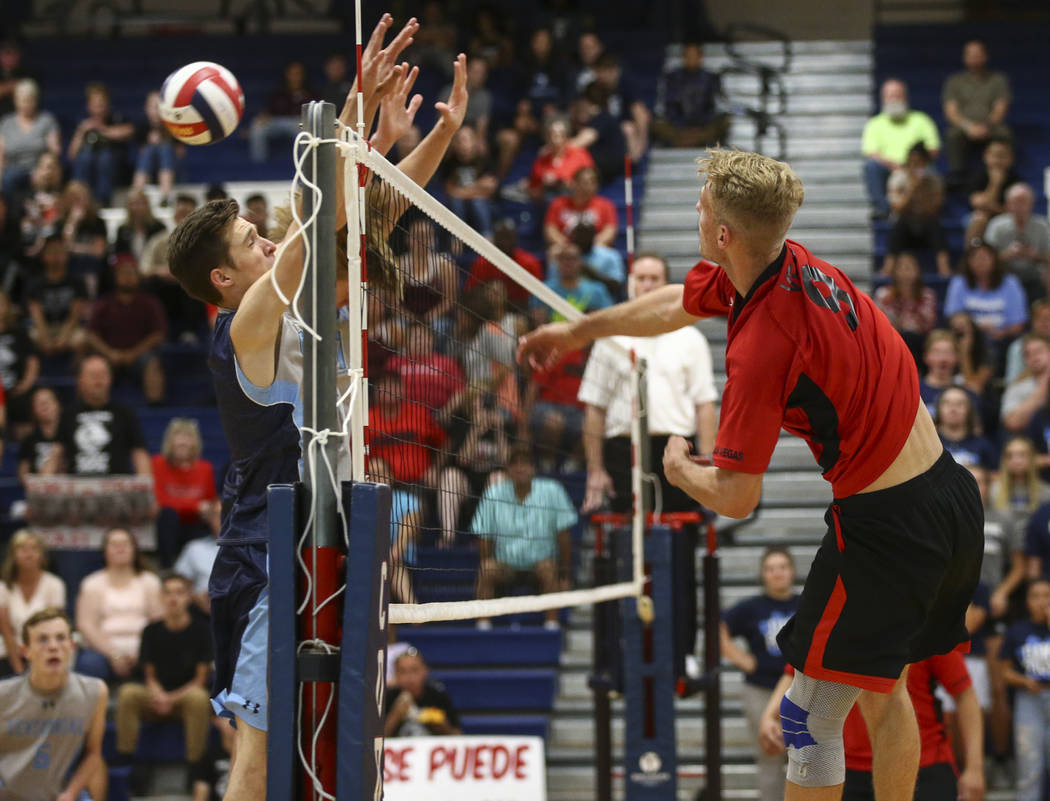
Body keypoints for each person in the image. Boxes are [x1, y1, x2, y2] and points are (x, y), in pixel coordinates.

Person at [518, 148, 984, 801]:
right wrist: (578, 332)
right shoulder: (789, 262)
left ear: (724, 234)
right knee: (886, 688)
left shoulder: (763, 342)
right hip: (951, 496)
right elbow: (675, 302)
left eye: (703, 203)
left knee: (807, 716)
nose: (697, 209)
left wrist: (679, 469)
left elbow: (738, 496)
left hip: (889, 526)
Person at [162, 16, 456, 799]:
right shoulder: (250, 321)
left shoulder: (298, 309)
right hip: (268, 554)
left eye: (263, 234)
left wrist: (418, 138)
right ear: (223, 280)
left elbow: (371, 218)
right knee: (257, 766)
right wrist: (357, 108)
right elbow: (322, 205)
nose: (267, 241)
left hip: (319, 538)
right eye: (251, 241)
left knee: (317, 753)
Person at [578, 252, 717, 513]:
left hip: (677, 449)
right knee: (626, 536)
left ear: (666, 285)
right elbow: (594, 408)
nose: (648, 285)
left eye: (654, 278)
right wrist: (595, 469)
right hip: (623, 450)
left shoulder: (691, 338)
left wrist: (706, 464)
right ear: (631, 283)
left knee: (680, 535)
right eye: (641, 278)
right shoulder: (610, 339)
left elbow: (704, 404)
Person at [759, 652, 985, 801]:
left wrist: (975, 767)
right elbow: (796, 672)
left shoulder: (920, 614)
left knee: (890, 697)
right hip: (847, 769)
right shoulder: (831, 608)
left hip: (923, 766)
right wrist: (769, 716)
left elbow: (965, 696)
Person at [114, 572, 212, 792]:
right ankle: (128, 764)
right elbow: (149, 674)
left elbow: (200, 679)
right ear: (161, 597)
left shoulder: (202, 630)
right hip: (155, 697)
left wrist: (171, 698)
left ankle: (195, 769)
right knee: (128, 693)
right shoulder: (151, 631)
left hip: (185, 699)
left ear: (188, 597)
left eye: (179, 592)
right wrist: (159, 695)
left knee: (199, 698)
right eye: (168, 593)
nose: (173, 598)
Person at [0, 608, 108, 801]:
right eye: (42, 640)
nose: (53, 647)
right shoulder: (3, 695)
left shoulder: (95, 692)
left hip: (62, 795)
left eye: (61, 638)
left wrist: (70, 793)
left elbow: (93, 755)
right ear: (26, 651)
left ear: (72, 646)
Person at [720, 547, 799, 801]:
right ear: (763, 574)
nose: (777, 573)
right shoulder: (752, 608)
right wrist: (744, 661)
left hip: (800, 691)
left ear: (792, 571)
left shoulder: (806, 604)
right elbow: (718, 629)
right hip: (760, 691)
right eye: (771, 568)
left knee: (806, 760)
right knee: (770, 757)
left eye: (782, 567)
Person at [471, 445, 578, 629]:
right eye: (515, 464)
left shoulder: (552, 490)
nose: (521, 468)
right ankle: (483, 626)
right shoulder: (493, 494)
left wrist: (565, 574)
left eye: (526, 463)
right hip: (506, 567)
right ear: (508, 469)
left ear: (533, 468)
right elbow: (484, 537)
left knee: (548, 568)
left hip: (540, 566)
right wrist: (486, 562)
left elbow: (564, 537)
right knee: (487, 568)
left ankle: (551, 626)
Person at [75, 527, 162, 681]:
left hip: (144, 649)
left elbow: (158, 623)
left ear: (134, 549)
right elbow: (86, 625)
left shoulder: (150, 581)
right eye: (114, 544)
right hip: (102, 650)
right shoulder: (92, 583)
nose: (120, 548)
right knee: (89, 664)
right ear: (104, 551)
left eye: (125, 544)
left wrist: (141, 654)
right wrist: (114, 655)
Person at [46, 354, 151, 476]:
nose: (98, 379)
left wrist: (145, 483)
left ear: (110, 378)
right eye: (92, 375)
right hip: (78, 489)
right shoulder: (68, 414)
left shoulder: (125, 413)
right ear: (80, 380)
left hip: (117, 489)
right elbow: (55, 454)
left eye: (102, 374)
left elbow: (139, 453)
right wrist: (43, 483)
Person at [85, 255, 168, 403]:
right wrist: (110, 353)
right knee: (93, 366)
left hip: (140, 355)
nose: (128, 278)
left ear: (138, 276)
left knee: (153, 364)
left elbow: (158, 335)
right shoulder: (104, 303)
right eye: (123, 273)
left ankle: (156, 408)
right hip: (109, 354)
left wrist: (133, 354)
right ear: (115, 277)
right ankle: (89, 407)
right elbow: (91, 334)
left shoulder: (150, 303)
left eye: (131, 273)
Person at [999, 578, 1050, 801]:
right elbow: (1005, 671)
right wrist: (1024, 681)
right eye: (1035, 596)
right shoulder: (1017, 631)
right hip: (1029, 699)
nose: (1041, 602)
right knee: (1029, 762)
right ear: (1027, 601)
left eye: (1046, 596)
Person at [861, 79, 940, 219]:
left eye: (897, 95)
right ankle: (883, 209)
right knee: (871, 166)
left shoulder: (921, 120)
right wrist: (896, 166)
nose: (894, 100)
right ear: (883, 99)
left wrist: (912, 166)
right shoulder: (874, 124)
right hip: (888, 169)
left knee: (930, 170)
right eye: (890, 96)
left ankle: (929, 209)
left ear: (905, 97)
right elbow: (871, 153)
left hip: (917, 167)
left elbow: (933, 149)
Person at [942, 39, 1012, 182]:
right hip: (964, 127)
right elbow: (951, 112)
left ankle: (1006, 173)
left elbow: (1000, 108)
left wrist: (986, 126)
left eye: (977, 54)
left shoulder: (998, 80)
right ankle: (958, 174)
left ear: (985, 56)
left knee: (1005, 133)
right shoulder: (954, 81)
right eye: (970, 54)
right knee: (952, 135)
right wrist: (969, 127)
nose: (974, 58)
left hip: (990, 126)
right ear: (965, 57)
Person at [152, 418, 216, 567]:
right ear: (170, 442)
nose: (183, 442)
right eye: (178, 436)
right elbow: (160, 501)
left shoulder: (205, 468)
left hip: (195, 525)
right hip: (167, 525)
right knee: (168, 514)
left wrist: (200, 508)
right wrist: (195, 506)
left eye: (188, 437)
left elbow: (209, 503)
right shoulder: (157, 463)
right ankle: (166, 568)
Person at [0, 530, 65, 677]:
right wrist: (19, 670)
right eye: (22, 549)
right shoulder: (3, 587)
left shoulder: (54, 585)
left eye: (34, 548)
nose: (28, 554)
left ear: (42, 554)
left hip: (44, 647)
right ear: (13, 555)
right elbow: (6, 631)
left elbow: (54, 626)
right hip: (10, 651)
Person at [944, 241, 1027, 355]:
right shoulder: (959, 282)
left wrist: (1001, 333)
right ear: (968, 262)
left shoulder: (1010, 283)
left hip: (1003, 340)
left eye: (984, 257)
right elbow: (954, 316)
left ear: (994, 260)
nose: (980, 262)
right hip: (970, 338)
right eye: (975, 258)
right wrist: (974, 330)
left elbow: (1018, 323)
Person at [882, 143, 949, 276]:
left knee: (934, 224)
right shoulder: (898, 178)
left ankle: (944, 268)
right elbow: (898, 208)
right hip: (905, 223)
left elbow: (934, 209)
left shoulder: (934, 179)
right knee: (899, 225)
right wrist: (912, 189)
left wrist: (922, 189)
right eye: (912, 163)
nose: (915, 167)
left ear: (926, 164)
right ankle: (888, 268)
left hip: (927, 222)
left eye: (919, 163)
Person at [651, 42, 729, 148]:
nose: (691, 59)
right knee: (654, 123)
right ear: (683, 58)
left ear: (700, 57)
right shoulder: (672, 77)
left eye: (694, 56)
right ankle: (694, 141)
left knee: (724, 122)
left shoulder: (711, 78)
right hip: (678, 130)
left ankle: (687, 142)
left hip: (703, 129)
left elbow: (714, 106)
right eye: (688, 56)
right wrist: (682, 127)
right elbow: (669, 106)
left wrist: (699, 127)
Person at [67, 81, 133, 205]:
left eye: (102, 104)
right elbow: (72, 155)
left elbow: (129, 131)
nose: (99, 108)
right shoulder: (83, 123)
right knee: (85, 158)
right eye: (96, 105)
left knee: (105, 157)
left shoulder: (116, 118)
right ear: (89, 106)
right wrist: (81, 132)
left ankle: (103, 201)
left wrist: (102, 129)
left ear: (108, 103)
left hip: (114, 165)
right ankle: (81, 199)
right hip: (89, 165)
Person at [25, 234, 88, 360]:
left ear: (66, 255)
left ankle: (78, 374)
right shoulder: (35, 284)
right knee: (27, 337)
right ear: (44, 256)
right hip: (44, 327)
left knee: (82, 339)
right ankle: (33, 374)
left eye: (60, 252)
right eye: (51, 252)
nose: (56, 257)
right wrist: (45, 340)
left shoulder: (77, 282)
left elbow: (74, 316)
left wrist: (63, 339)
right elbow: (36, 316)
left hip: (68, 327)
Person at [464, 218, 544, 315]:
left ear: (515, 238)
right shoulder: (482, 263)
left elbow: (538, 297)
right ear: (495, 239)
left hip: (521, 312)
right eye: (502, 237)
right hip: (487, 313)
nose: (505, 242)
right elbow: (471, 293)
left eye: (509, 237)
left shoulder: (529, 263)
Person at [984, 183, 1050, 301]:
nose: (1020, 206)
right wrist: (1007, 254)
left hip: (1035, 277)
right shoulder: (996, 225)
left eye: (1024, 201)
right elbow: (985, 258)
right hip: (1003, 276)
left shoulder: (1043, 226)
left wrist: (1035, 255)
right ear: (1008, 204)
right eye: (1016, 201)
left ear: (1031, 204)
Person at [249, 60, 319, 163]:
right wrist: (262, 118)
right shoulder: (278, 92)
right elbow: (267, 112)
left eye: (298, 74)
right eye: (292, 74)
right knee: (257, 126)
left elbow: (314, 113)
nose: (295, 77)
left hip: (298, 123)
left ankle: (305, 166)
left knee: (305, 131)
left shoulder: (311, 93)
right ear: (287, 75)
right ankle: (258, 165)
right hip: (276, 122)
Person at [872, 252, 938, 363]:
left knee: (912, 338)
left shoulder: (927, 295)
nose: (906, 273)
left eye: (910, 268)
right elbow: (878, 324)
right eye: (902, 268)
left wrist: (912, 305)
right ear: (895, 272)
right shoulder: (883, 294)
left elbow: (929, 325)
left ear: (918, 271)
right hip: (892, 339)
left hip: (919, 340)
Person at [0, 78, 60, 198]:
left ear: (36, 101)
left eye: (30, 100)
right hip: (13, 169)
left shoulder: (46, 120)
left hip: (38, 168)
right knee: (8, 179)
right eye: (23, 100)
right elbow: (1, 155)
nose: (27, 104)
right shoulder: (7, 123)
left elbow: (55, 151)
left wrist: (43, 168)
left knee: (45, 176)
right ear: (16, 101)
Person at [383, 647, 461, 737]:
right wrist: (395, 716)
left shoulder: (438, 697)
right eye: (403, 671)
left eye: (414, 670)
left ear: (425, 671)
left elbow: (458, 736)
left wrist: (441, 726)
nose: (409, 678)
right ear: (395, 675)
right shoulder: (386, 699)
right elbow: (374, 743)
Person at [441, 125, 497, 237]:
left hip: (482, 204)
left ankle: (488, 237)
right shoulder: (450, 162)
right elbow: (449, 192)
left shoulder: (484, 160)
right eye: (459, 140)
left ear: (474, 141)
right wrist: (477, 187)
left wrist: (460, 192)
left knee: (478, 202)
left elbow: (489, 190)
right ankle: (456, 237)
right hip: (459, 205)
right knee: (456, 202)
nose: (463, 144)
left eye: (466, 139)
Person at [543, 165, 618, 248]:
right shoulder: (558, 204)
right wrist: (566, 246)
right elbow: (550, 230)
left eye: (593, 182)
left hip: (595, 250)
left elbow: (610, 231)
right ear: (574, 183)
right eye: (585, 182)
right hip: (566, 250)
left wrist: (591, 246)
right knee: (554, 252)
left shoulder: (605, 205)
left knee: (612, 256)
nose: (589, 186)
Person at [528, 116, 595, 203]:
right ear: (546, 138)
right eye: (550, 135)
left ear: (566, 137)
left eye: (559, 135)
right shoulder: (542, 159)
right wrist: (543, 185)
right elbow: (533, 191)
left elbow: (592, 185)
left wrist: (565, 183)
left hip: (576, 202)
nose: (555, 140)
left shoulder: (581, 155)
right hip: (549, 203)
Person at [0, 288, 39, 434]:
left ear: (7, 307)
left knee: (25, 404)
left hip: (15, 389)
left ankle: (24, 452)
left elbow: (32, 361)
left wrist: (25, 385)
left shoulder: (19, 332)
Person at [965, 138, 1020, 243]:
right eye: (995, 156)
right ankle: (971, 256)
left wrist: (992, 207)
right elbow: (978, 203)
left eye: (1003, 156)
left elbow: (1016, 210)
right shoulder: (978, 176)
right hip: (982, 216)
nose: (998, 160)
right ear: (986, 156)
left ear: (1011, 159)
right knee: (979, 217)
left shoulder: (1016, 180)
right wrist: (995, 184)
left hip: (1007, 217)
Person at [173, 500, 221, 616]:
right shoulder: (194, 548)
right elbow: (178, 583)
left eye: (228, 514)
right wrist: (195, 597)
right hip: (200, 612)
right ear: (209, 519)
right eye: (217, 515)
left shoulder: (254, 550)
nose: (223, 520)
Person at [132, 90, 180, 203]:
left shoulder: (174, 128)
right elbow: (139, 154)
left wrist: (164, 140)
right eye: (153, 107)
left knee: (165, 149)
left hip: (171, 169)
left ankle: (165, 197)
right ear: (146, 108)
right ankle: (136, 194)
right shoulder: (142, 128)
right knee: (149, 150)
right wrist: (151, 144)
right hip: (147, 168)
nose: (156, 111)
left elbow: (180, 154)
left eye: (159, 106)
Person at [935, 386, 995, 469]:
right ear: (938, 408)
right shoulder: (929, 444)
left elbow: (993, 476)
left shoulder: (983, 445)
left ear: (969, 410)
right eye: (947, 403)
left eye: (959, 404)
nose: (953, 409)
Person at [1001, 335, 1050, 433]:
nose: (1034, 357)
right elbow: (1013, 423)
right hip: (1034, 439)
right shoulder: (1017, 387)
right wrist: (1045, 382)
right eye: (1028, 354)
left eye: (1038, 351)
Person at [16, 386, 61, 487]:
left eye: (48, 401)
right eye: (40, 403)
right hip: (37, 492)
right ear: (33, 409)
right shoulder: (29, 439)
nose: (45, 405)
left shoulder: (68, 435)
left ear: (58, 405)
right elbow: (23, 472)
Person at [112, 187, 167, 262]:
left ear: (147, 205)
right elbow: (119, 255)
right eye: (134, 204)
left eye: (141, 203)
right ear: (128, 206)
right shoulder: (122, 230)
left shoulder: (158, 228)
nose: (138, 208)